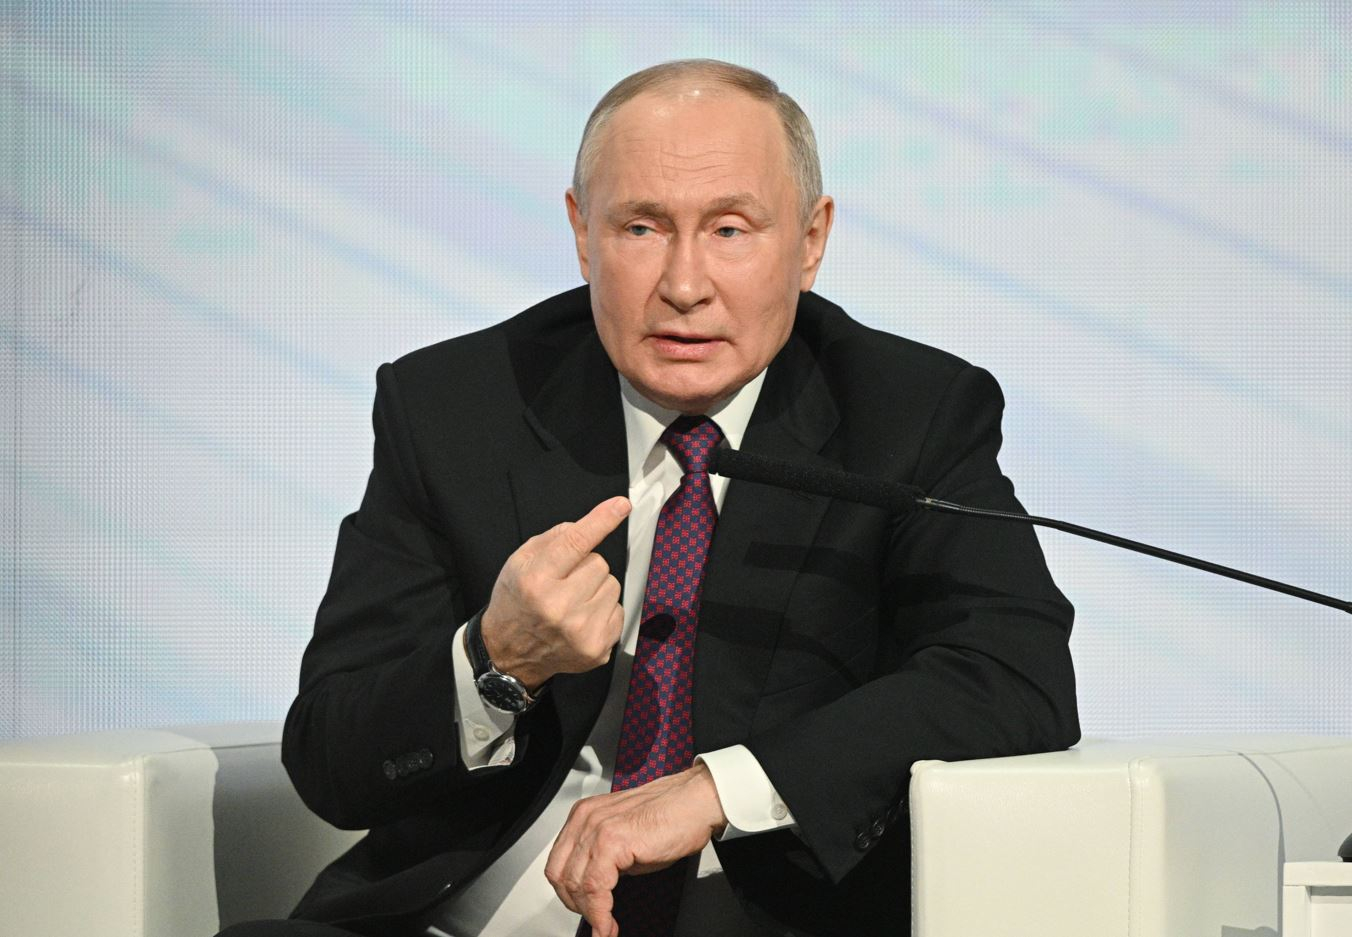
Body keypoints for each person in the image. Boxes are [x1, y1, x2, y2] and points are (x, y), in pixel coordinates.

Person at [223, 59, 1078, 937]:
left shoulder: (910, 415)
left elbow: (1015, 674)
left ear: (811, 240)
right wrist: (496, 659)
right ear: (581, 232)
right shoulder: (455, 406)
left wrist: (716, 789)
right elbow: (331, 760)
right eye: (641, 227)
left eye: (731, 230)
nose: (684, 284)